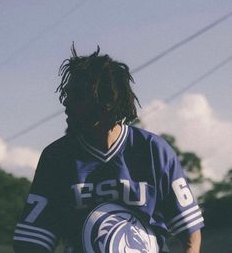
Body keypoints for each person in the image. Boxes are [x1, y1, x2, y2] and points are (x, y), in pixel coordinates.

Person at [13, 45, 204, 253]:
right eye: (67, 94)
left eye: (77, 95)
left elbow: (190, 234)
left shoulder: (153, 150)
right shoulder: (57, 158)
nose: (66, 103)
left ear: (107, 101)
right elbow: (31, 242)